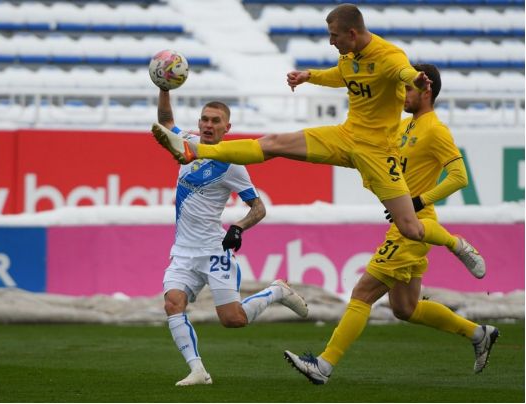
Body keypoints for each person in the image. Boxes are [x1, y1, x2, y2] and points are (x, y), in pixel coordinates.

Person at [150, 3, 485, 279]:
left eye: (334, 36)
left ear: (352, 34)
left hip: (378, 153)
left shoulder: (389, 56)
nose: (331, 42)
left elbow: (403, 72)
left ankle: (456, 244)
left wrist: (417, 79)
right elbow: (342, 76)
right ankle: (195, 150)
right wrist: (309, 76)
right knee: (275, 143)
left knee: (411, 227)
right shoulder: (349, 56)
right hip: (345, 136)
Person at [283, 64, 499, 385]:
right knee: (405, 308)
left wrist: (418, 201)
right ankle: (478, 333)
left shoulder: (436, 130)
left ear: (426, 89)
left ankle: (323, 366)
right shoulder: (403, 126)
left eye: (408, 89)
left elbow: (459, 177)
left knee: (362, 293)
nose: (402, 95)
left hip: (416, 225)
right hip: (405, 221)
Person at [154, 88, 309, 387]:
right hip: (183, 252)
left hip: (214, 251)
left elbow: (259, 208)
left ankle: (276, 291)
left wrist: (238, 227)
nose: (208, 125)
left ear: (227, 128)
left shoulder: (232, 163)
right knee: (173, 304)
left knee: (233, 319)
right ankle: (198, 371)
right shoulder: (187, 143)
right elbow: (165, 121)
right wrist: (164, 88)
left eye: (215, 121)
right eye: (204, 119)